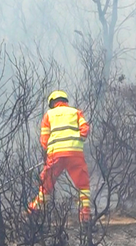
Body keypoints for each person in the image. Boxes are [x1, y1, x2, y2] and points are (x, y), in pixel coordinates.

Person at [28, 90, 91, 224]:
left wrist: (50, 152)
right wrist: (76, 141)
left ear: (52, 103)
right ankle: (85, 216)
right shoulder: (76, 112)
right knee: (83, 185)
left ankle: (34, 210)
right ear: (65, 101)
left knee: (46, 184)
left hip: (55, 154)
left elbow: (44, 140)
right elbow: (85, 130)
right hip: (75, 153)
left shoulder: (48, 115)